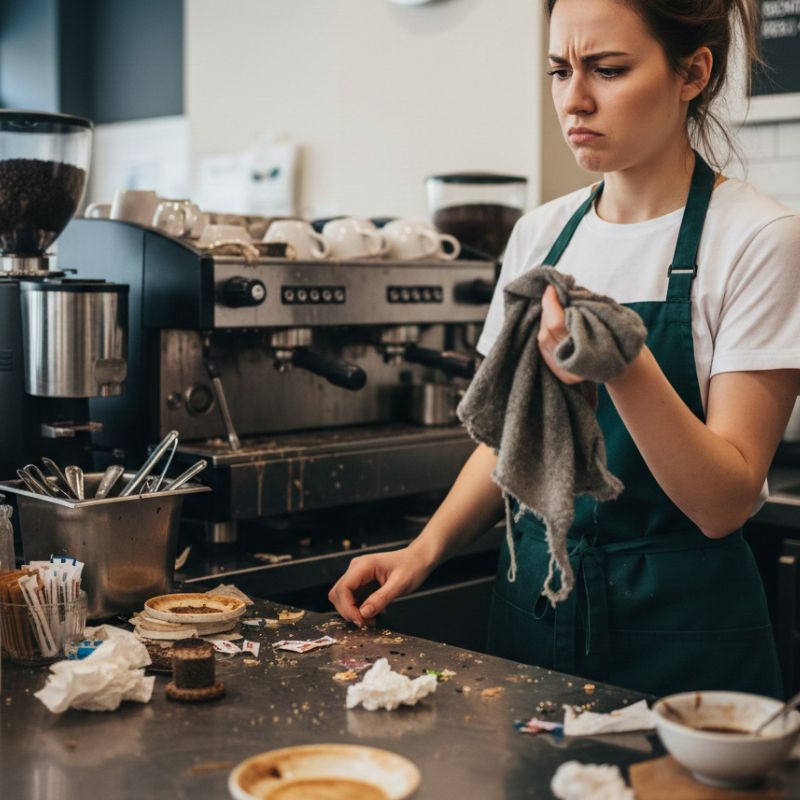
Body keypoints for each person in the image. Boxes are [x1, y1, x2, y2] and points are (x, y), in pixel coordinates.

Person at [329, 0, 800, 697]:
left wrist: (622, 366)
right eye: (559, 70)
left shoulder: (759, 239)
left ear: (692, 72)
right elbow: (514, 436)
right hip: (534, 609)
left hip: (685, 634)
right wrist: (422, 551)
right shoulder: (542, 236)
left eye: (608, 70)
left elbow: (723, 503)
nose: (574, 100)